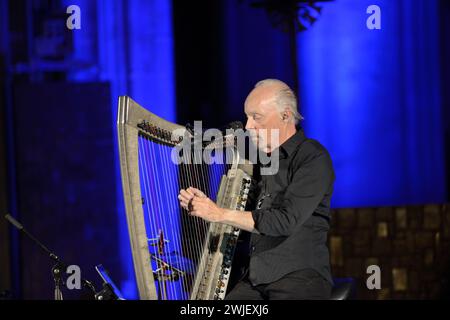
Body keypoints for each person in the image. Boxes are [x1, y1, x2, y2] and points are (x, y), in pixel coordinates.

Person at [178, 79, 335, 300]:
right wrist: (206, 207)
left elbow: (285, 221)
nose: (248, 126)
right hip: (254, 280)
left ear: (285, 115)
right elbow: (246, 219)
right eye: (247, 117)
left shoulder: (313, 157)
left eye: (256, 117)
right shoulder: (260, 161)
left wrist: (219, 213)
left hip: (299, 278)